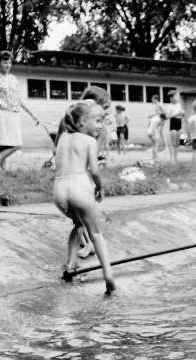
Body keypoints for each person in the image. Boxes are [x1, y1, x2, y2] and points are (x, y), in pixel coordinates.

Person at [53, 101, 117, 295]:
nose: (100, 126)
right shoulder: (89, 141)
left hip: (59, 190)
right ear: (82, 121)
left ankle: (71, 265)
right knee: (96, 233)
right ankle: (108, 274)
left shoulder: (63, 137)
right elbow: (94, 171)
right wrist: (99, 187)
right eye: (98, 121)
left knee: (78, 224)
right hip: (79, 186)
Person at [166, 90, 184, 163]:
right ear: (171, 98)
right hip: (173, 124)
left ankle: (176, 158)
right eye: (176, 97)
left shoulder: (179, 105)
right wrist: (177, 113)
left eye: (177, 97)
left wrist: (182, 113)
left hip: (179, 123)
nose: (177, 98)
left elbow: (182, 113)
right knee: (173, 143)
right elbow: (167, 116)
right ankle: (172, 159)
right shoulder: (169, 106)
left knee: (177, 143)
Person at [147, 95, 167, 161]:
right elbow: (156, 113)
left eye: (152, 99)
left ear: (155, 99)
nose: (152, 101)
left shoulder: (159, 104)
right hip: (156, 119)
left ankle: (166, 147)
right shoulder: (156, 105)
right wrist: (151, 116)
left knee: (161, 133)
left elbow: (164, 112)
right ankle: (154, 153)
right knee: (156, 137)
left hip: (159, 119)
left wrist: (161, 118)